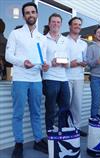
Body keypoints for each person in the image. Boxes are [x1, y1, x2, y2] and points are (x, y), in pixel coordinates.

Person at [5, 2, 48, 158]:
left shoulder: (42, 38)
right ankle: (19, 143)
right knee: (18, 113)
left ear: (37, 14)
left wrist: (45, 66)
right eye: (27, 13)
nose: (30, 15)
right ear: (24, 16)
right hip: (20, 79)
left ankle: (38, 140)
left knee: (36, 112)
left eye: (33, 12)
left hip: (36, 79)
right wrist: (23, 63)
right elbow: (8, 56)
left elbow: (44, 59)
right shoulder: (15, 34)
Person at [42, 13, 70, 132]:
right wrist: (50, 62)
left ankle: (62, 133)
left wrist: (65, 63)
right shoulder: (43, 39)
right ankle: (50, 134)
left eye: (58, 22)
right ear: (49, 24)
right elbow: (41, 60)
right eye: (53, 21)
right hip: (50, 79)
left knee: (65, 108)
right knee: (51, 109)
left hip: (63, 79)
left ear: (61, 24)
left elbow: (68, 62)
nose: (56, 24)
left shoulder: (65, 40)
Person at [66, 17, 87, 136]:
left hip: (79, 77)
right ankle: (67, 129)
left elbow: (85, 60)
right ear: (70, 26)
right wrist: (70, 64)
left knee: (77, 104)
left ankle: (76, 128)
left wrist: (85, 62)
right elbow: (60, 58)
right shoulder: (63, 41)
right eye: (75, 24)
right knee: (66, 104)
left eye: (79, 24)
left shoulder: (83, 43)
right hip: (66, 76)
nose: (77, 26)